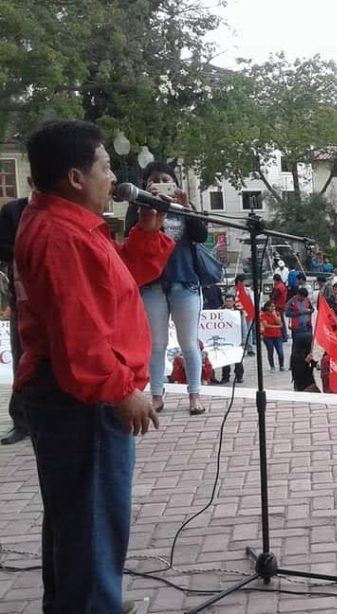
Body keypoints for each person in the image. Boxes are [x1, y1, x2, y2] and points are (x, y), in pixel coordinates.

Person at [16, 120, 172, 612]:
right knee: (92, 518)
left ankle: (82, 601)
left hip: (69, 396)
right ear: (76, 177)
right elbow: (79, 334)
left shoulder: (67, 224)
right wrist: (121, 388)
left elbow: (119, 279)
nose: (114, 178)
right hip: (80, 401)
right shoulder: (62, 236)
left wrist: (147, 235)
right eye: (105, 167)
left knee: (76, 518)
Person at [126, 161, 208, 416]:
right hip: (152, 284)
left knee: (189, 343)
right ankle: (157, 395)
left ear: (175, 182)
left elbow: (201, 235)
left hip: (184, 280)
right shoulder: (141, 206)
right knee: (156, 343)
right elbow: (131, 234)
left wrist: (186, 208)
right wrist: (145, 202)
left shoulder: (182, 206)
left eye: (165, 178)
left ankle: (194, 395)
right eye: (154, 179)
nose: (160, 182)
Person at [0, 196, 29, 445]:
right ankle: (21, 420)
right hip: (23, 294)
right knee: (21, 354)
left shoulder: (69, 205)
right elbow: (3, 246)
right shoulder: (14, 210)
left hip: (60, 293)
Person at [217, 294, 245, 385]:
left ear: (233, 302)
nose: (228, 303)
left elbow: (243, 326)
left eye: (230, 301)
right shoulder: (220, 311)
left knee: (238, 359)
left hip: (236, 338)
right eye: (227, 301)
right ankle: (225, 376)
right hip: (224, 338)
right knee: (225, 359)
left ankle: (239, 376)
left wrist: (243, 338)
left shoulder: (239, 312)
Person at [260, 301, 285, 371]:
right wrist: (277, 327)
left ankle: (281, 365)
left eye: (274, 306)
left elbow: (280, 323)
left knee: (280, 352)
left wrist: (274, 315)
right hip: (268, 336)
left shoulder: (277, 313)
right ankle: (272, 366)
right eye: (271, 306)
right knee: (270, 351)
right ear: (267, 307)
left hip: (278, 335)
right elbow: (266, 325)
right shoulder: (263, 315)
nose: (273, 308)